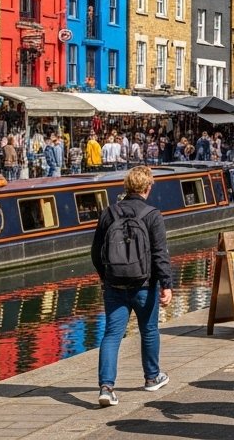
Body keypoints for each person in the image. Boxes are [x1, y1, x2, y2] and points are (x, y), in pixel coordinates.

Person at [91, 166, 173, 407]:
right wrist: (166, 284)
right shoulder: (152, 214)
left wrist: (105, 278)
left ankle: (106, 388)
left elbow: (96, 252)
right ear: (148, 187)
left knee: (112, 334)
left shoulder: (109, 213)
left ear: (126, 187)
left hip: (114, 285)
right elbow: (160, 254)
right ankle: (152, 377)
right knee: (148, 330)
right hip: (144, 285)